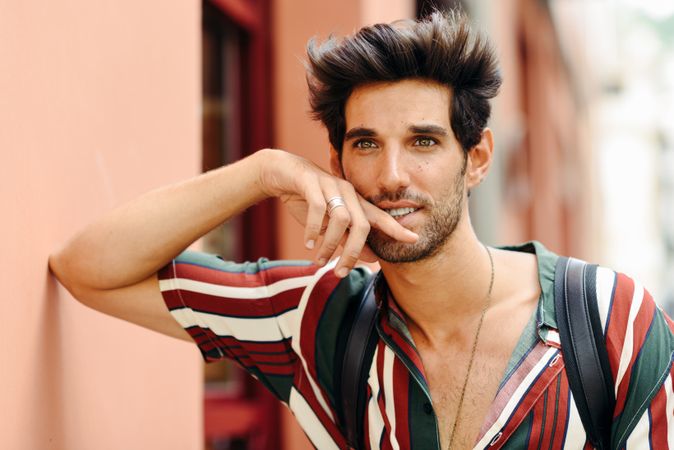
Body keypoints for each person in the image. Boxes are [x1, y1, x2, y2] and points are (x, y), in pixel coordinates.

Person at [49, 10, 673, 450]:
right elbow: (87, 268)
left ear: (476, 158)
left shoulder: (609, 319)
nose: (392, 176)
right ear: (337, 165)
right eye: (365, 144)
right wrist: (262, 172)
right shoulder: (314, 317)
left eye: (423, 141)